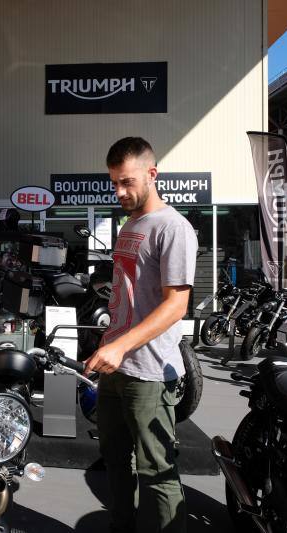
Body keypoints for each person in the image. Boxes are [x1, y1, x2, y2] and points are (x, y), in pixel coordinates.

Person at [84, 137, 197, 533]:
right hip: (115, 367)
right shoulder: (131, 224)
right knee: (114, 459)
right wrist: (108, 343)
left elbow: (175, 306)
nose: (120, 192)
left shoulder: (173, 228)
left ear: (152, 174)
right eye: (114, 182)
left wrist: (120, 345)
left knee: (157, 470)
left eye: (127, 182)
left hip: (148, 371)